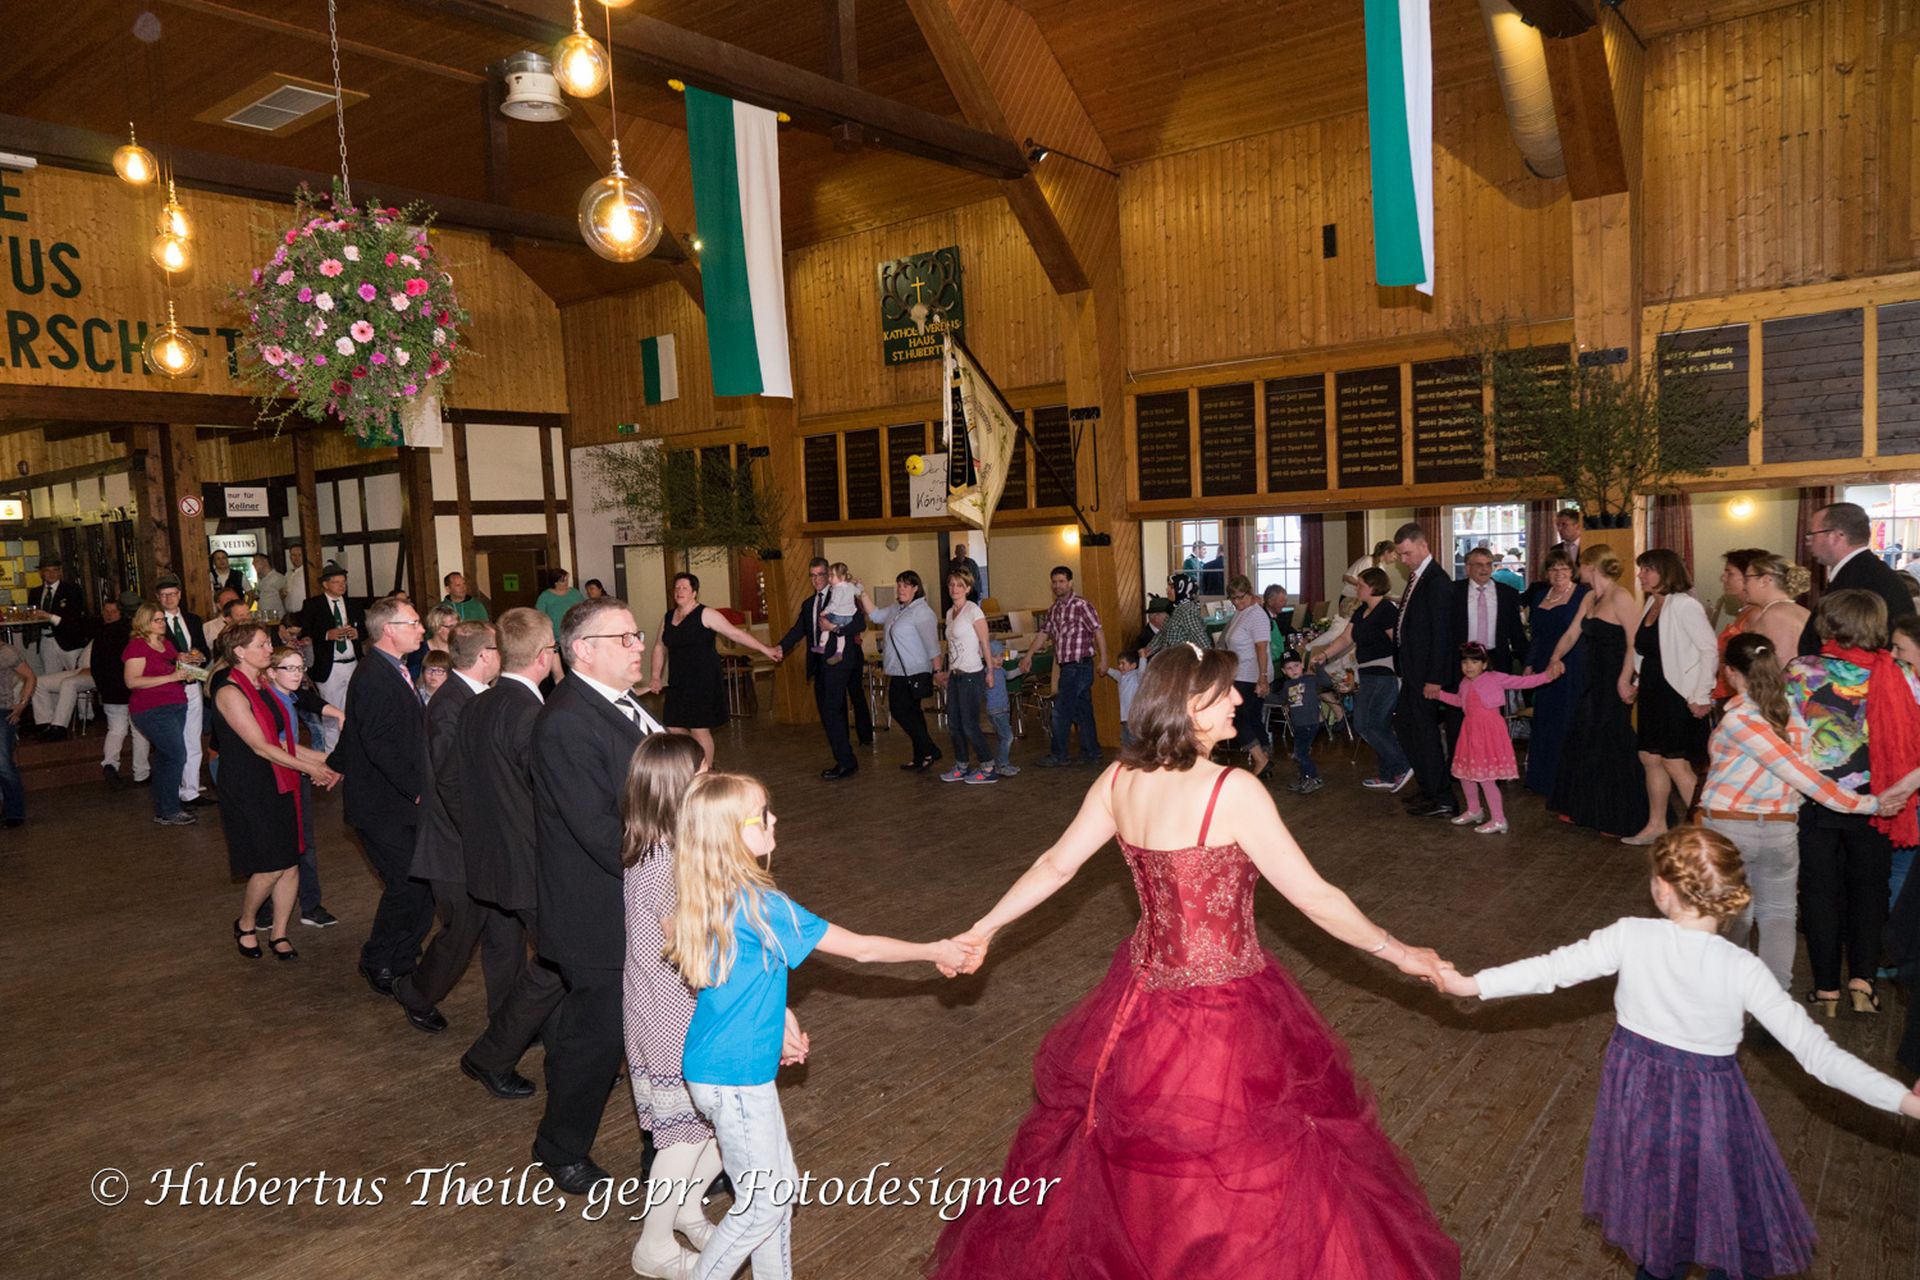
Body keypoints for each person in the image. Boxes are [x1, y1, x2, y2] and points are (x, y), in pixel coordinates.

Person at [930, 646, 1459, 1278]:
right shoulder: (1233, 790)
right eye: (1224, 690)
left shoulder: (1119, 779)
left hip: (1139, 1004)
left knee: (1139, 1156)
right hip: (1222, 1013)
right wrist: (1401, 953)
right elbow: (1315, 897)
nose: (1238, 698)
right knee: (1232, 1161)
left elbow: (1055, 865)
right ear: (1188, 703)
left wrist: (982, 929)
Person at [1439, 827, 1920, 1280]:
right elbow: (1820, 1057)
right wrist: (1904, 1101)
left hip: (1637, 1103)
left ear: (1662, 889)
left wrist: (1471, 984)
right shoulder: (1744, 969)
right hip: (1707, 1113)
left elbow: (1551, 969)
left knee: (1656, 1212)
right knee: (1719, 1209)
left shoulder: (1630, 935)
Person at [668, 772, 968, 1279]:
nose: (774, 819)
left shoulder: (711, 893)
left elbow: (741, 979)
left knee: (777, 1193)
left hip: (724, 1068)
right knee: (762, 1206)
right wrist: (935, 949)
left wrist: (779, 1019)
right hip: (736, 1078)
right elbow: (862, 949)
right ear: (735, 834)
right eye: (763, 814)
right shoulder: (762, 906)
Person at [532, 594, 663, 1194]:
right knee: (599, 1038)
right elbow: (599, 831)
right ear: (582, 650)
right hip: (599, 912)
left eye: (638, 635)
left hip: (641, 900)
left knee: (658, 1033)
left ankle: (667, 1150)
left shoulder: (620, 703)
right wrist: (679, 863)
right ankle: (559, 1147)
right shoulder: (566, 721)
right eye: (625, 638)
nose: (639, 646)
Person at [1703, 633, 1920, 992]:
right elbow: (1808, 775)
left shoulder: (1741, 719)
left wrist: (1870, 804)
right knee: (1778, 915)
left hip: (1732, 828)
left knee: (1733, 916)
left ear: (1728, 671)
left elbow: (1802, 775)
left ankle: (1729, 996)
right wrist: (1872, 802)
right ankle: (1772, 1001)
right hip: (1781, 830)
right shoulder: (1791, 715)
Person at [1785, 589, 1920, 1018]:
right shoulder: (1898, 671)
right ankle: (1863, 982)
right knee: (1870, 890)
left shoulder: (1801, 670)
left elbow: (1784, 737)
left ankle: (1826, 988)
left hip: (1816, 799)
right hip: (1880, 801)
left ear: (1827, 623)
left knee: (1819, 892)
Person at [618, 734, 721, 1278]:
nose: (712, 779)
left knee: (715, 1130)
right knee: (684, 1137)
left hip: (664, 1004)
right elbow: (688, 953)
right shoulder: (667, 862)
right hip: (673, 1012)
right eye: (703, 775)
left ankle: (686, 1209)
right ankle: (653, 1246)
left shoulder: (655, 844)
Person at [457, 607, 565, 1101]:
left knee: (530, 959)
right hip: (528, 862)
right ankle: (491, 1055)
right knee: (559, 962)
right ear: (545, 656)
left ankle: (563, 1052)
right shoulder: (532, 716)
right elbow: (549, 799)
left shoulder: (477, 704)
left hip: (489, 857)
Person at [394, 621, 505, 1035]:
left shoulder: (477, 696)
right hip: (453, 843)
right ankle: (415, 992)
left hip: (474, 841)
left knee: (501, 932)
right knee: (462, 930)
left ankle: (510, 1018)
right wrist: (482, 834)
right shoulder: (450, 704)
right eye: (498, 648)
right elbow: (450, 780)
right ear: (485, 655)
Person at [209, 623, 340, 962]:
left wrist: (326, 761)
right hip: (250, 786)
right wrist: (311, 768)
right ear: (239, 652)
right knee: (270, 866)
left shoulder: (263, 684)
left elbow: (283, 743)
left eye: (269, 643)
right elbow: (260, 746)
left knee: (291, 864)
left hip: (280, 778)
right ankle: (246, 922)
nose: (270, 648)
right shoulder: (229, 691)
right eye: (263, 644)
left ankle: (279, 933)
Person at [329, 596, 434, 999]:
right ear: (389, 629)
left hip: (396, 802)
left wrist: (335, 764)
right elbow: (378, 744)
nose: (421, 629)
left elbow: (356, 729)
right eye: (414, 623)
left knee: (420, 882)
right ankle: (378, 959)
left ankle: (403, 955)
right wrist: (417, 790)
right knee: (405, 884)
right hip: (381, 805)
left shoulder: (393, 668)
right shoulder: (375, 675)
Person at [1545, 544, 1650, 838]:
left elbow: (1634, 643)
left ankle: (1622, 815)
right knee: (1585, 738)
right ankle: (1585, 807)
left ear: (1591, 566)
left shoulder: (1621, 597)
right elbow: (1571, 634)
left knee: (1613, 742)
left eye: (1581, 564)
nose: (1577, 569)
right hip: (1591, 679)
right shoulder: (1590, 597)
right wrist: (1555, 658)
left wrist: (1626, 679)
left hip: (1614, 679)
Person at [1623, 549, 1718, 846]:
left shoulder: (1685, 605)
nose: (1641, 575)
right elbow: (1647, 651)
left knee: (1675, 762)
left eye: (1647, 569)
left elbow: (1709, 650)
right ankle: (1656, 825)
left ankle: (1705, 834)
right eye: (1641, 569)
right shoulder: (1652, 602)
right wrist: (1637, 681)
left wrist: (1701, 694)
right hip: (1653, 689)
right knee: (1650, 757)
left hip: (1677, 693)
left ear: (1666, 572)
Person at [648, 572, 779, 769]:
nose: (679, 592)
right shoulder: (668, 617)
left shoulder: (706, 614)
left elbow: (735, 633)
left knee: (699, 729)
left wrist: (765, 649)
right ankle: (697, 759)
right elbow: (660, 646)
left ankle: (706, 771)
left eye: (684, 588)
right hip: (678, 681)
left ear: (694, 592)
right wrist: (655, 676)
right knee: (673, 727)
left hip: (703, 679)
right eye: (676, 588)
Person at [1423, 642, 1556, 835]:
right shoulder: (1464, 683)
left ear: (1484, 664)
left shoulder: (1495, 678)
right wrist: (1439, 695)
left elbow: (1523, 682)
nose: (1468, 666)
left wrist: (1547, 675)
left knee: (1486, 778)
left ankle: (1499, 819)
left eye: (1474, 662)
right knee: (1465, 774)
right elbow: (1460, 701)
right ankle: (1474, 810)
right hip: (1470, 731)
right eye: (1465, 662)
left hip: (1488, 732)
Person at [771, 557, 872, 780]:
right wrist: (780, 647)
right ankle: (845, 758)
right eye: (812, 575)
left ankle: (846, 761)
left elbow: (859, 624)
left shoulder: (841, 594)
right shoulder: (809, 604)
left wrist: (834, 628)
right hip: (819, 665)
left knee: (832, 710)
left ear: (829, 575)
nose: (816, 579)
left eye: (820, 575)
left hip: (839, 663)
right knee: (829, 713)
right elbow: (798, 630)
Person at [263, 644, 343, 929]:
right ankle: (264, 910)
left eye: (300, 668)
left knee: (304, 843)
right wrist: (318, 765)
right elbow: (280, 745)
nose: (297, 674)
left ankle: (310, 905)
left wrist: (325, 763)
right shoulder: (268, 701)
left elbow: (308, 702)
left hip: (294, 773)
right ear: (271, 672)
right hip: (273, 778)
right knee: (276, 846)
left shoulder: (289, 695)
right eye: (290, 668)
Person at [1313, 566, 1412, 791]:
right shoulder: (1362, 611)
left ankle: (1402, 764)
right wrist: (1325, 654)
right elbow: (1346, 638)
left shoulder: (1386, 610)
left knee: (1369, 724)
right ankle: (1389, 774)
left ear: (1374, 586)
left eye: (1360, 585)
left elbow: (1398, 643)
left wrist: (1404, 672)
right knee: (1373, 725)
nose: (1356, 588)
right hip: (1367, 674)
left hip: (1384, 674)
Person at [1391, 523, 1458, 818]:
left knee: (1425, 733)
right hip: (1413, 672)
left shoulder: (1437, 581)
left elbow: (1442, 634)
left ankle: (1443, 797)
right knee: (1406, 727)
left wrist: (1434, 679)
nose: (1403, 560)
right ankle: (1429, 787)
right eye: (1400, 555)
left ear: (1423, 546)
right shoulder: (1419, 577)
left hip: (1426, 675)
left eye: (1407, 553)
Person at [1800, 501, 1916, 654]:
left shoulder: (1859, 580)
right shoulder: (1869, 571)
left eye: (1812, 534)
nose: (1808, 542)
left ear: (1835, 536)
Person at [1020, 565, 1106, 768]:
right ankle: (1092, 752)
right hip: (1067, 666)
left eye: (1061, 581)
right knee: (1082, 711)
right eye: (1054, 582)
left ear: (1070, 583)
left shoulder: (1082, 605)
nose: (1057, 585)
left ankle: (1059, 754)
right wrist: (1028, 656)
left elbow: (1098, 631)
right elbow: (1043, 633)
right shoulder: (1054, 609)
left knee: (1061, 711)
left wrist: (1104, 659)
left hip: (1079, 665)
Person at [1520, 551, 1587, 796]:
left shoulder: (1583, 594)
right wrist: (1529, 664)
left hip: (1571, 665)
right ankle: (1543, 779)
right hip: (1543, 666)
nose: (1559, 574)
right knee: (1545, 721)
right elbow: (1536, 635)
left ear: (1572, 571)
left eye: (1564, 568)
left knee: (1567, 721)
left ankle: (1569, 781)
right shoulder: (1540, 595)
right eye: (1553, 569)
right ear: (1546, 573)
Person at [860, 571, 941, 772]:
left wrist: (937, 671)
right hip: (897, 671)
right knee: (913, 713)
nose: (901, 589)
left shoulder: (922, 612)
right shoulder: (896, 608)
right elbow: (875, 615)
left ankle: (929, 748)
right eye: (899, 585)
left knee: (900, 711)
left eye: (905, 585)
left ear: (916, 588)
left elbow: (932, 645)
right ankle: (921, 756)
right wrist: (861, 593)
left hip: (914, 671)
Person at [123, 602, 193, 826]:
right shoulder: (137, 646)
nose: (163, 623)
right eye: (157, 620)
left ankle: (164, 809)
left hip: (175, 704)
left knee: (166, 756)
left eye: (163, 619)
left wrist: (185, 671)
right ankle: (170, 809)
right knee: (176, 755)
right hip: (151, 708)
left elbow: (173, 671)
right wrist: (171, 677)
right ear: (145, 622)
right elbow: (132, 681)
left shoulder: (167, 645)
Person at [153, 575, 212, 808]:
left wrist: (199, 657)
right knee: (173, 741)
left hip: (193, 681)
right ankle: (173, 790)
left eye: (173, 594)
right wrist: (177, 659)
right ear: (158, 598)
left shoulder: (193, 619)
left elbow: (203, 649)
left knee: (193, 737)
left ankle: (191, 790)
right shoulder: (154, 622)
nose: (169, 599)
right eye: (164, 595)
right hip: (168, 686)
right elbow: (154, 655)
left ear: (180, 595)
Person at [935, 567, 997, 785]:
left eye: (959, 585)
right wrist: (947, 671)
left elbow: (984, 643)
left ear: (968, 588)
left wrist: (990, 671)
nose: (954, 589)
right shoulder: (950, 613)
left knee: (970, 724)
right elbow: (952, 646)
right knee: (954, 723)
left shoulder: (973, 611)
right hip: (956, 675)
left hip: (972, 674)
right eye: (951, 585)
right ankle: (961, 765)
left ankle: (988, 767)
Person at [299, 563, 362, 752]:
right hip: (329, 664)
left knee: (355, 708)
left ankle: (353, 749)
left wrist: (358, 633)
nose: (342, 586)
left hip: (353, 662)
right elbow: (306, 632)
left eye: (344, 582)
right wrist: (327, 635)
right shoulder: (313, 605)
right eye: (336, 582)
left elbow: (366, 629)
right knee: (332, 711)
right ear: (325, 585)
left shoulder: (353, 604)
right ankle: (332, 753)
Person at [92, 595, 148, 790]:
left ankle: (110, 763)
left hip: (111, 690)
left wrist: (103, 688)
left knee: (116, 729)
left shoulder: (102, 632)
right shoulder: (136, 633)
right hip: (134, 689)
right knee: (139, 732)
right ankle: (141, 772)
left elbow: (95, 665)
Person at [1220, 575, 1272, 779]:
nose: (1236, 602)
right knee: (1252, 717)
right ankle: (1265, 756)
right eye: (1233, 598)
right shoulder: (1241, 612)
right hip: (1240, 672)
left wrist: (1262, 677)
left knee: (1236, 716)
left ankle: (1260, 759)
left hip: (1250, 674)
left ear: (1249, 593)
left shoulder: (1256, 615)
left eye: (1240, 597)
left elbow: (1261, 648)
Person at [1451, 547, 1527, 674]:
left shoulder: (1508, 594)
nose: (1484, 569)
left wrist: (1527, 663)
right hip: (1462, 661)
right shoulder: (1452, 591)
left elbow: (1516, 633)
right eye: (1479, 565)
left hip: (1498, 661)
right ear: (1468, 568)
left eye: (1488, 564)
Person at [1276, 650, 1331, 793]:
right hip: (1298, 725)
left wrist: (1317, 667)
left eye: (1296, 665)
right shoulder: (1287, 685)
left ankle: (1314, 778)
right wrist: (1265, 694)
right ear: (1284, 671)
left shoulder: (1310, 680)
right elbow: (1281, 700)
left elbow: (1327, 682)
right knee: (1300, 752)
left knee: (1300, 753)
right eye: (1289, 668)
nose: (1293, 670)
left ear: (1302, 665)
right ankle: (1305, 778)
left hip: (1309, 723)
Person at [1740, 552, 1811, 660]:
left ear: (1765, 581)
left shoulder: (1775, 615)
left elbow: (1783, 662)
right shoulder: (1803, 611)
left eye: (1747, 579)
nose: (1744, 586)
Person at [28, 555, 88, 676]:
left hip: (69, 640)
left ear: (60, 572)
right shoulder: (35, 592)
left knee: (76, 675)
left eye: (55, 570)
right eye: (47, 570)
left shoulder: (72, 590)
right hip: (45, 640)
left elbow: (74, 617)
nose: (51, 574)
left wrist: (49, 616)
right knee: (50, 677)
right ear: (41, 573)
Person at [28, 638, 91, 742]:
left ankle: (59, 727)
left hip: (97, 673)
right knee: (38, 682)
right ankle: (44, 723)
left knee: (69, 683)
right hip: (81, 669)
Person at [0, 634, 32, 829]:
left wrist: (22, 703)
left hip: (2, 711)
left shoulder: (6, 652)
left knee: (3, 764)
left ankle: (15, 812)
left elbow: (30, 676)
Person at [1143, 573, 1210, 654]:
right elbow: (1163, 633)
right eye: (1168, 586)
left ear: (1182, 589)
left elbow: (1201, 640)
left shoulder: (1188, 611)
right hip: (1170, 657)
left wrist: (1208, 658)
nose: (1167, 589)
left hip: (1182, 658)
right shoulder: (1174, 608)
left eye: (1172, 587)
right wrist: (1148, 649)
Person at [984, 637, 1020, 779]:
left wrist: (1020, 669)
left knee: (1002, 737)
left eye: (1001, 656)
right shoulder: (987, 672)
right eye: (995, 656)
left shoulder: (1001, 670)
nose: (999, 660)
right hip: (995, 710)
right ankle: (1002, 765)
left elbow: (1009, 675)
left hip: (1003, 709)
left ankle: (1002, 763)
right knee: (1007, 737)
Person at [535, 568, 585, 666]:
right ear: (555, 582)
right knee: (558, 665)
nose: (566, 583)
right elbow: (539, 616)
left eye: (567, 579)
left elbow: (583, 610)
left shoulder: (575, 593)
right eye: (563, 581)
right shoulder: (545, 596)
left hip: (573, 635)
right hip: (555, 637)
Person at [814, 562, 862, 664]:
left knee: (825, 625)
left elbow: (834, 604)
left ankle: (822, 646)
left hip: (838, 615)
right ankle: (839, 652)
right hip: (849, 617)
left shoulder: (838, 589)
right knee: (840, 635)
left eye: (832, 576)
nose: (829, 579)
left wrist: (825, 611)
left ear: (842, 577)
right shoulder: (850, 586)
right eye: (829, 576)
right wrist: (859, 584)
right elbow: (859, 591)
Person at [1104, 653, 1143, 745]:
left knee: (1134, 739)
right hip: (1125, 717)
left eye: (1123, 663)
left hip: (1135, 717)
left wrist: (1143, 658)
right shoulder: (1122, 677)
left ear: (1133, 665)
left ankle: (1136, 753)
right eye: (1119, 664)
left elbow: (1142, 671)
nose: (1120, 666)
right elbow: (1115, 674)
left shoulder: (1136, 676)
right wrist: (1107, 669)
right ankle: (1126, 753)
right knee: (1125, 739)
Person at [252, 553, 287, 621]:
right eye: (253, 563)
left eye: (256, 561)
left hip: (276, 618)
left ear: (265, 561)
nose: (254, 564)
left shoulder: (277, 577)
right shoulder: (261, 580)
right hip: (264, 618)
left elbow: (285, 596)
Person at [283, 546, 309, 617]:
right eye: (293, 555)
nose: (296, 558)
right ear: (290, 557)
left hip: (305, 613)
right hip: (290, 614)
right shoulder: (288, 574)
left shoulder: (308, 572)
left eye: (299, 555)